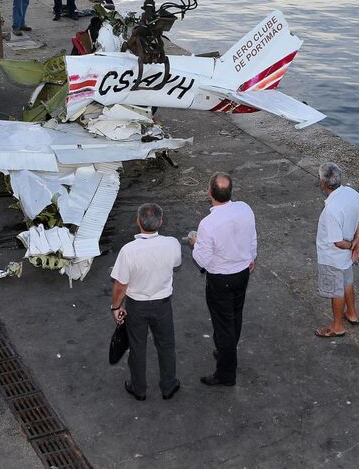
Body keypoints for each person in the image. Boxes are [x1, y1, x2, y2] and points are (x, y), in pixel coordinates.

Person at [110, 203, 182, 401]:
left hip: (137, 306)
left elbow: (120, 285)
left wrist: (116, 307)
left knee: (137, 346)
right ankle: (168, 386)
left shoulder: (128, 251)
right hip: (163, 304)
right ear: (161, 222)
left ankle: (139, 388)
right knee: (166, 345)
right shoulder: (172, 244)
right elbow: (176, 264)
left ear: (138, 222)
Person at [191, 172, 257, 387]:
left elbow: (202, 259)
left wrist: (195, 243)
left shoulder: (207, 224)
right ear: (231, 191)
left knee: (223, 324)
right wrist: (252, 257)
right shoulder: (245, 209)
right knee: (235, 316)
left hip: (220, 279)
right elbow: (252, 236)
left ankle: (226, 373)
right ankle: (226, 351)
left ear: (209, 193)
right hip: (242, 273)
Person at [314, 162, 359, 338]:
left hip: (332, 257)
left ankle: (337, 327)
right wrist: (357, 245)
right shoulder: (352, 193)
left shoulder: (331, 210)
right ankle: (351, 313)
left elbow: (337, 242)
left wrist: (352, 246)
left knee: (336, 292)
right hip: (346, 256)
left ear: (323, 183)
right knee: (347, 283)